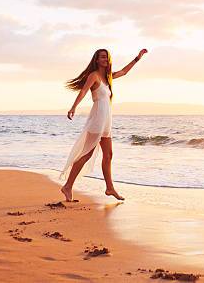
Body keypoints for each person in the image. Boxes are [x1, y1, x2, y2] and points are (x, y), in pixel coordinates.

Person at [59, 48, 147, 201]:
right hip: (97, 119)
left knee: (108, 154)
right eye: (102, 57)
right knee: (86, 154)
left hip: (106, 121)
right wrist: (73, 107)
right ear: (97, 60)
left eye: (107, 57)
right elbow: (83, 91)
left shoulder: (108, 78)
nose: (105, 59)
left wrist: (137, 58)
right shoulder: (93, 76)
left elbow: (124, 72)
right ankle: (67, 186)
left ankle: (109, 188)